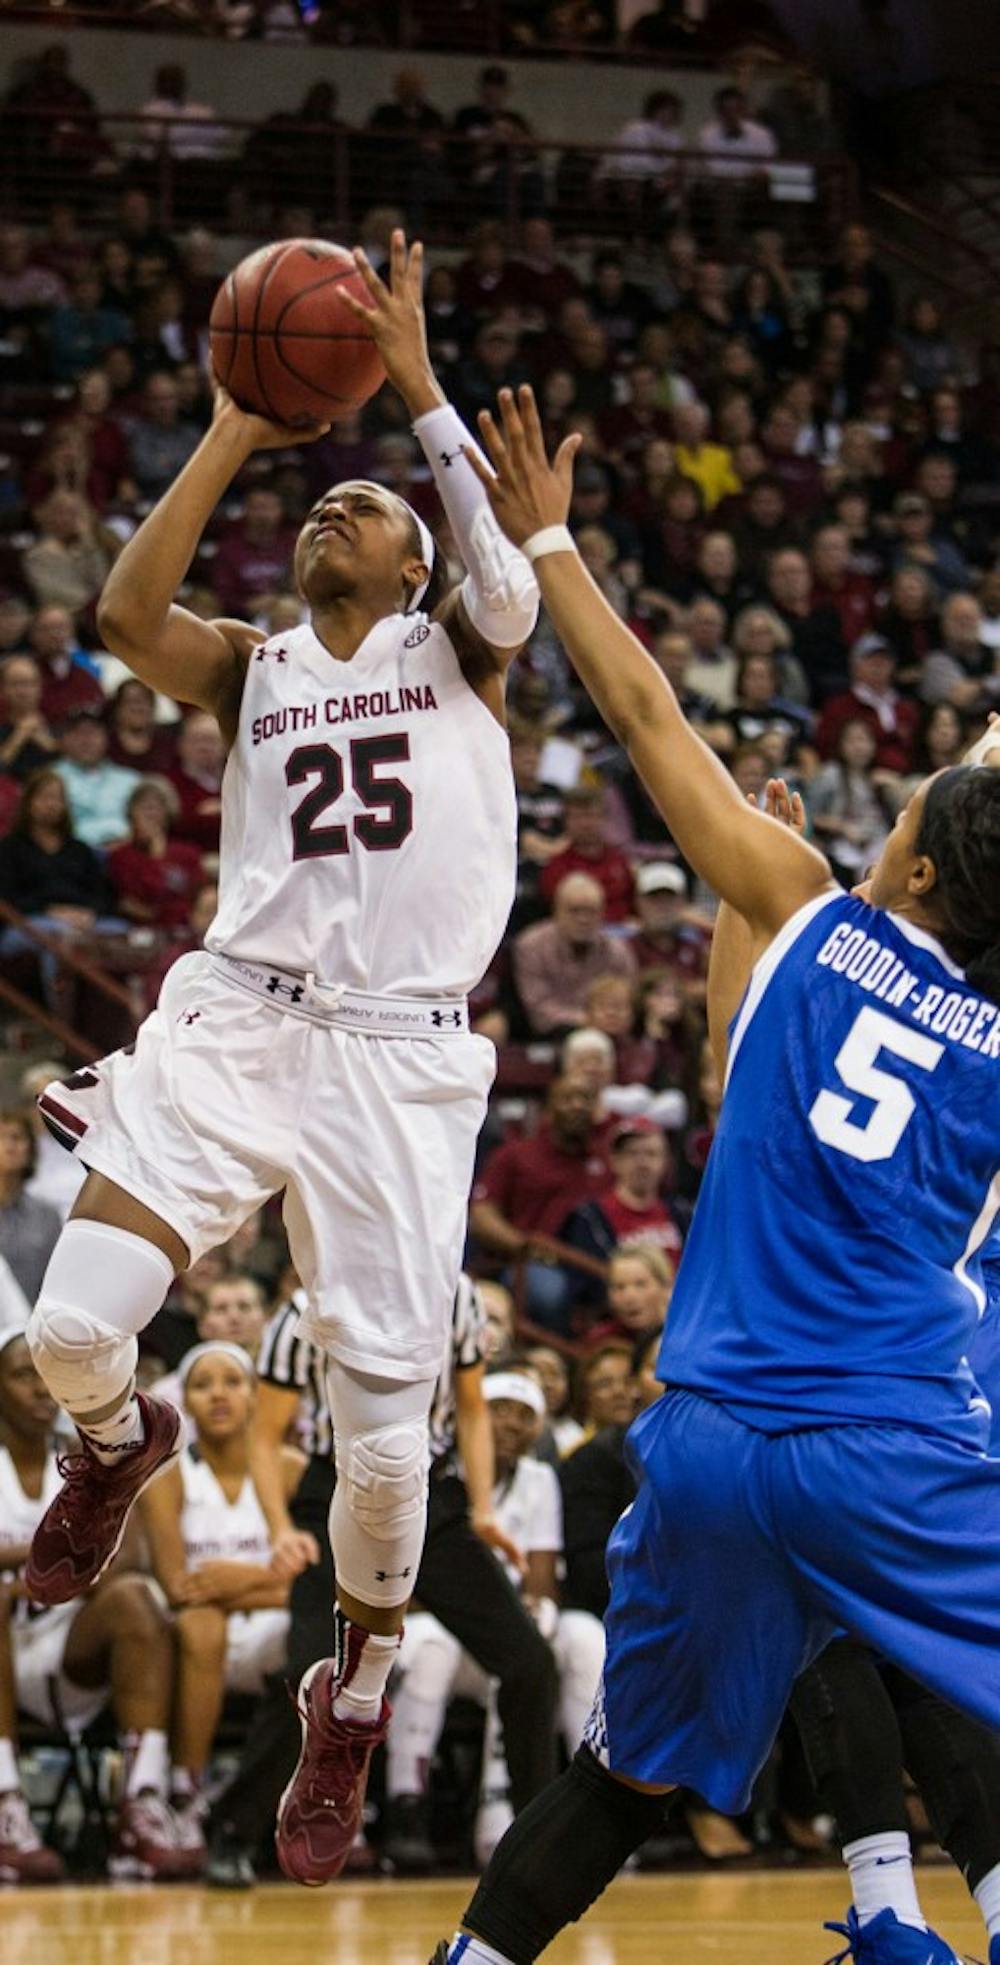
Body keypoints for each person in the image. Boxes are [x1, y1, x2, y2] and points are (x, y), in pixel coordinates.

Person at [428, 385, 1000, 1965]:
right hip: (889, 1442)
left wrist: (546, 533)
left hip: (711, 1442)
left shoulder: (808, 909)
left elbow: (644, 714)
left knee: (627, 1768)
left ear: (923, 870)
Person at [23, 229, 540, 1894]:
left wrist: (421, 395)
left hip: (395, 1061)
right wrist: (248, 418)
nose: (344, 513)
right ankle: (117, 1444)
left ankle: (358, 1687)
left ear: (408, 567)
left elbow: (520, 584)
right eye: (332, 502)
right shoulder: (252, 667)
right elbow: (115, 613)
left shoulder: (452, 649)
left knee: (386, 1464)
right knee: (73, 1328)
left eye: (372, 511)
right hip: (240, 1017)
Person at [205, 1276, 557, 1887]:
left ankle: (539, 1846)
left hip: (434, 1499)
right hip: (334, 1491)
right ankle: (232, 1830)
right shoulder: (303, 1308)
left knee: (531, 1663)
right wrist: (280, 1526)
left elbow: (471, 1410)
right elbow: (266, 1438)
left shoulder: (458, 1295)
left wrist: (482, 1509)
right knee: (312, 1671)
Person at [388, 1366, 604, 1868]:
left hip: (505, 1625)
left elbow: (542, 1576)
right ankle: (408, 1802)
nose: (509, 1424)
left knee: (581, 1635)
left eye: (524, 1415)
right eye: (498, 1410)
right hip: (440, 1625)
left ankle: (588, 1799)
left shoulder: (540, 1478)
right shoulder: (436, 1475)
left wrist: (533, 1609)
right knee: (433, 1647)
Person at [0, 1328, 191, 1882]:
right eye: (20, 1376)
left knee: (134, 1598)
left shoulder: (82, 1457)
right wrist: (47, 1558)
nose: (39, 1390)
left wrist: (34, 1574)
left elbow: (127, 1554)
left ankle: (143, 1801)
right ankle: (6, 1800)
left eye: (44, 1377)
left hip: (65, 1645)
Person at [139, 1339, 300, 1851]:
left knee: (326, 1636)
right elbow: (181, 1588)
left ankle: (319, 1799)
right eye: (203, 1385)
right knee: (200, 1623)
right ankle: (187, 1791)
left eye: (232, 1382)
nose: (219, 1395)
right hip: (194, 1643)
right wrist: (271, 1581)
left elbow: (318, 1588)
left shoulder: (292, 1470)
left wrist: (238, 1581)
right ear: (185, 1401)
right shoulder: (167, 1476)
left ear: (257, 1395)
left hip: (271, 1634)